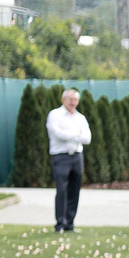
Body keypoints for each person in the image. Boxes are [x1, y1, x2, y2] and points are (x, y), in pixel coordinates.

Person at [45, 89, 90, 233]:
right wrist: (77, 135)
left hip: (77, 157)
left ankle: (70, 223)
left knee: (74, 190)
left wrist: (71, 135)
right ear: (63, 99)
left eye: (75, 99)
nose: (73, 102)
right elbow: (58, 134)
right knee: (62, 190)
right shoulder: (55, 115)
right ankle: (59, 223)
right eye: (70, 99)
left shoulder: (80, 118)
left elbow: (87, 138)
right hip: (61, 156)